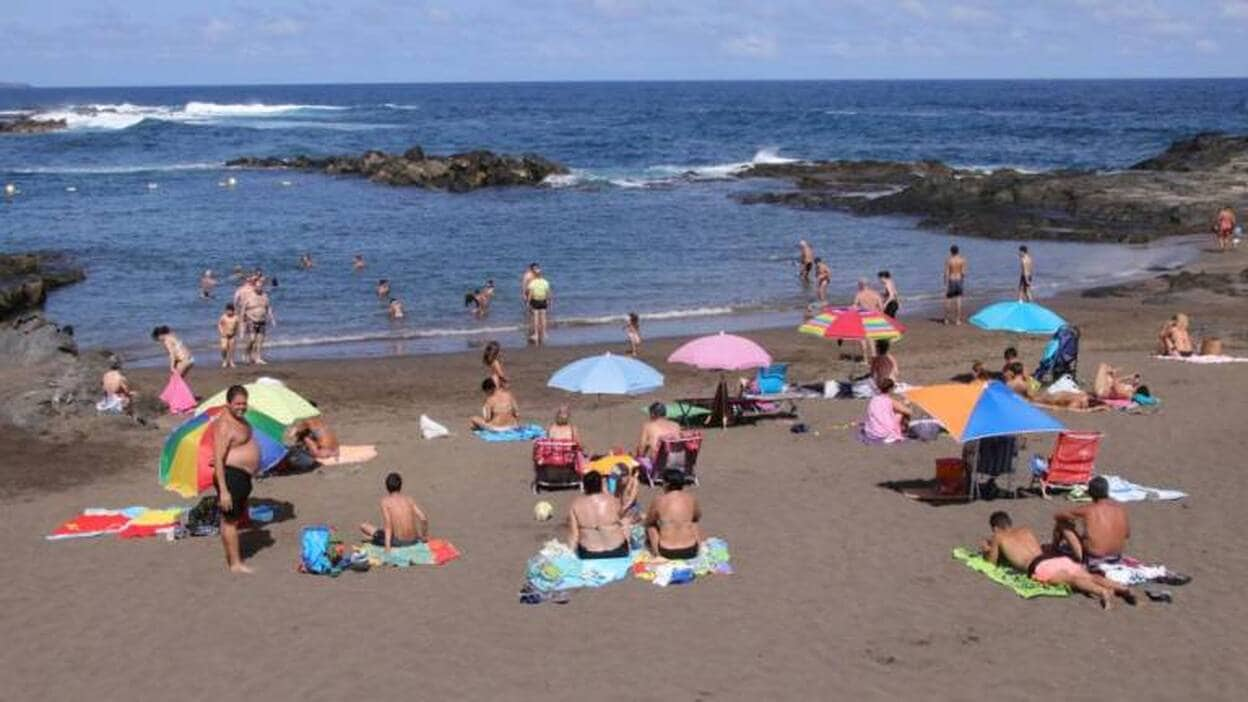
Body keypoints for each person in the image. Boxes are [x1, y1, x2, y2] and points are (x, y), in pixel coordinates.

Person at [981, 511, 1135, 609]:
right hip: (1053, 558)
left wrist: (986, 550)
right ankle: (1122, 588)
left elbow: (991, 563)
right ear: (1009, 523)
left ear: (995, 528)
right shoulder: (1025, 530)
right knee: (1089, 576)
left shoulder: (998, 537)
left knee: (1072, 580)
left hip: (1039, 566)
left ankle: (1102, 592)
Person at [212, 385, 260, 574]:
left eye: (244, 403)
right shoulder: (225, 425)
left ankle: (235, 559)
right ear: (228, 404)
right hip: (231, 476)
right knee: (230, 521)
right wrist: (223, 491)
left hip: (241, 476)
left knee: (232, 518)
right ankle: (235, 564)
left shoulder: (240, 419)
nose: (241, 407)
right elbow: (217, 458)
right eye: (237, 404)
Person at [1051, 476, 1129, 564]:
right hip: (1116, 556)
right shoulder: (1120, 509)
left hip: (1093, 558)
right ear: (1107, 491)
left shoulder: (1087, 510)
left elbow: (1057, 515)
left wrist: (1071, 521)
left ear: (1090, 493)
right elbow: (1127, 535)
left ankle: (1054, 549)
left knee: (1062, 523)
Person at [360, 472, 429, 553]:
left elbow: (388, 525)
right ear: (401, 485)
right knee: (380, 533)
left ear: (386, 487)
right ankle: (375, 538)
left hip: (399, 542)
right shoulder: (409, 499)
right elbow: (423, 518)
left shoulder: (385, 502)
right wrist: (423, 536)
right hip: (414, 540)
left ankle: (376, 538)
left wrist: (387, 547)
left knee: (364, 526)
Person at [567, 471, 629, 559]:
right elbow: (625, 525)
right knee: (624, 522)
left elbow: (574, 535)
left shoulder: (575, 505)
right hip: (618, 550)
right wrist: (629, 545)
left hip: (589, 553)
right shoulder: (614, 501)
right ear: (601, 485)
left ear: (584, 486)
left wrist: (569, 555)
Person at [644, 468, 703, 559]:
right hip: (691, 550)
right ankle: (699, 548)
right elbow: (697, 516)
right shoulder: (691, 499)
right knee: (693, 522)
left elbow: (649, 521)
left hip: (667, 552)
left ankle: (657, 554)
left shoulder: (659, 500)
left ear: (667, 484)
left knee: (650, 527)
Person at [861, 377, 910, 443]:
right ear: (890, 389)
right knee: (900, 413)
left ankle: (897, 430)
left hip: (871, 432)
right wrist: (907, 403)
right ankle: (901, 430)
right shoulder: (890, 401)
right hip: (884, 433)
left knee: (891, 412)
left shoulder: (874, 399)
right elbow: (909, 411)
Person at [635, 401, 682, 468]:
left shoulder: (648, 426)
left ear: (652, 414)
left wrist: (639, 456)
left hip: (660, 466)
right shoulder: (676, 425)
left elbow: (641, 450)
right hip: (680, 464)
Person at [242, 280, 275, 365]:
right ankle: (246, 354)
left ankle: (258, 358)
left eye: (260, 286)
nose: (259, 287)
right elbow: (243, 309)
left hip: (262, 320)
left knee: (260, 341)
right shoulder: (249, 296)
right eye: (257, 286)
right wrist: (242, 321)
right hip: (251, 320)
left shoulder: (265, 296)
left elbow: (268, 308)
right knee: (252, 340)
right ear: (254, 287)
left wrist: (272, 319)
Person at [526, 265, 552, 345]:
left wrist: (528, 302)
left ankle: (536, 334)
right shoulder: (545, 282)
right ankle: (544, 333)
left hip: (536, 301)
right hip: (543, 301)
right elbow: (548, 293)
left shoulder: (532, 283)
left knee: (536, 318)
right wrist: (549, 300)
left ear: (534, 275)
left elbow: (530, 294)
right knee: (543, 318)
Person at [944, 245, 966, 325]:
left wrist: (945, 283)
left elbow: (946, 273)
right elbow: (963, 273)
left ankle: (946, 319)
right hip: (959, 280)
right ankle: (958, 320)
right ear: (958, 251)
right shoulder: (962, 260)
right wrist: (962, 280)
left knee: (948, 300)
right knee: (959, 300)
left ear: (951, 251)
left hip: (952, 280)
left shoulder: (949, 260)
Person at [217, 303, 240, 368]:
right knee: (223, 348)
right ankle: (224, 360)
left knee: (231, 349)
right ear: (226, 310)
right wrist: (221, 331)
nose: (229, 312)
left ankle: (231, 361)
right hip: (224, 335)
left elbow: (237, 325)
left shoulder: (236, 317)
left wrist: (237, 332)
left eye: (231, 311)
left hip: (232, 335)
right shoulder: (223, 317)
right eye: (228, 310)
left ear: (233, 311)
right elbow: (219, 324)